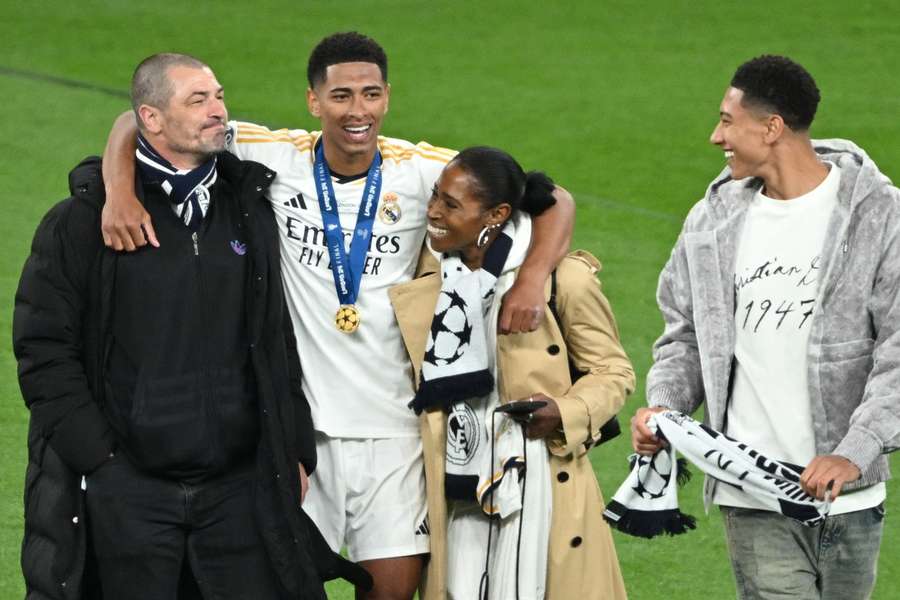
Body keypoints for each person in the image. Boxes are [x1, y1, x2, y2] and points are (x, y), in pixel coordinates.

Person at [98, 33, 573, 600]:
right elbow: (134, 123)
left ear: (387, 98)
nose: (358, 111)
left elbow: (553, 198)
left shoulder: (422, 170)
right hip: (301, 437)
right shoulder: (271, 152)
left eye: (371, 94)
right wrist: (118, 192)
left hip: (395, 434)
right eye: (341, 95)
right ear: (313, 101)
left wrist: (533, 277)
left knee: (391, 593)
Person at [13, 53, 331, 600]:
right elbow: (43, 349)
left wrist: (292, 448)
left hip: (236, 487)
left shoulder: (249, 209)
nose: (219, 112)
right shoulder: (84, 221)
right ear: (152, 119)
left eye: (219, 96)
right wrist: (101, 460)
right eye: (198, 100)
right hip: (129, 488)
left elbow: (274, 337)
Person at [632, 55, 899, 599]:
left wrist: (855, 449)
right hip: (754, 494)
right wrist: (667, 406)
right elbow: (683, 333)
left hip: (852, 497)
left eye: (728, 120)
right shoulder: (711, 222)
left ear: (772, 127)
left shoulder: (880, 216)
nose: (715, 136)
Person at [389, 146, 633, 599]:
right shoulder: (428, 269)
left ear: (498, 214)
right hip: (457, 481)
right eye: (436, 197)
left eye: (451, 205)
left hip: (542, 481)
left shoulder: (563, 280)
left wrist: (564, 411)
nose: (434, 213)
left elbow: (613, 371)